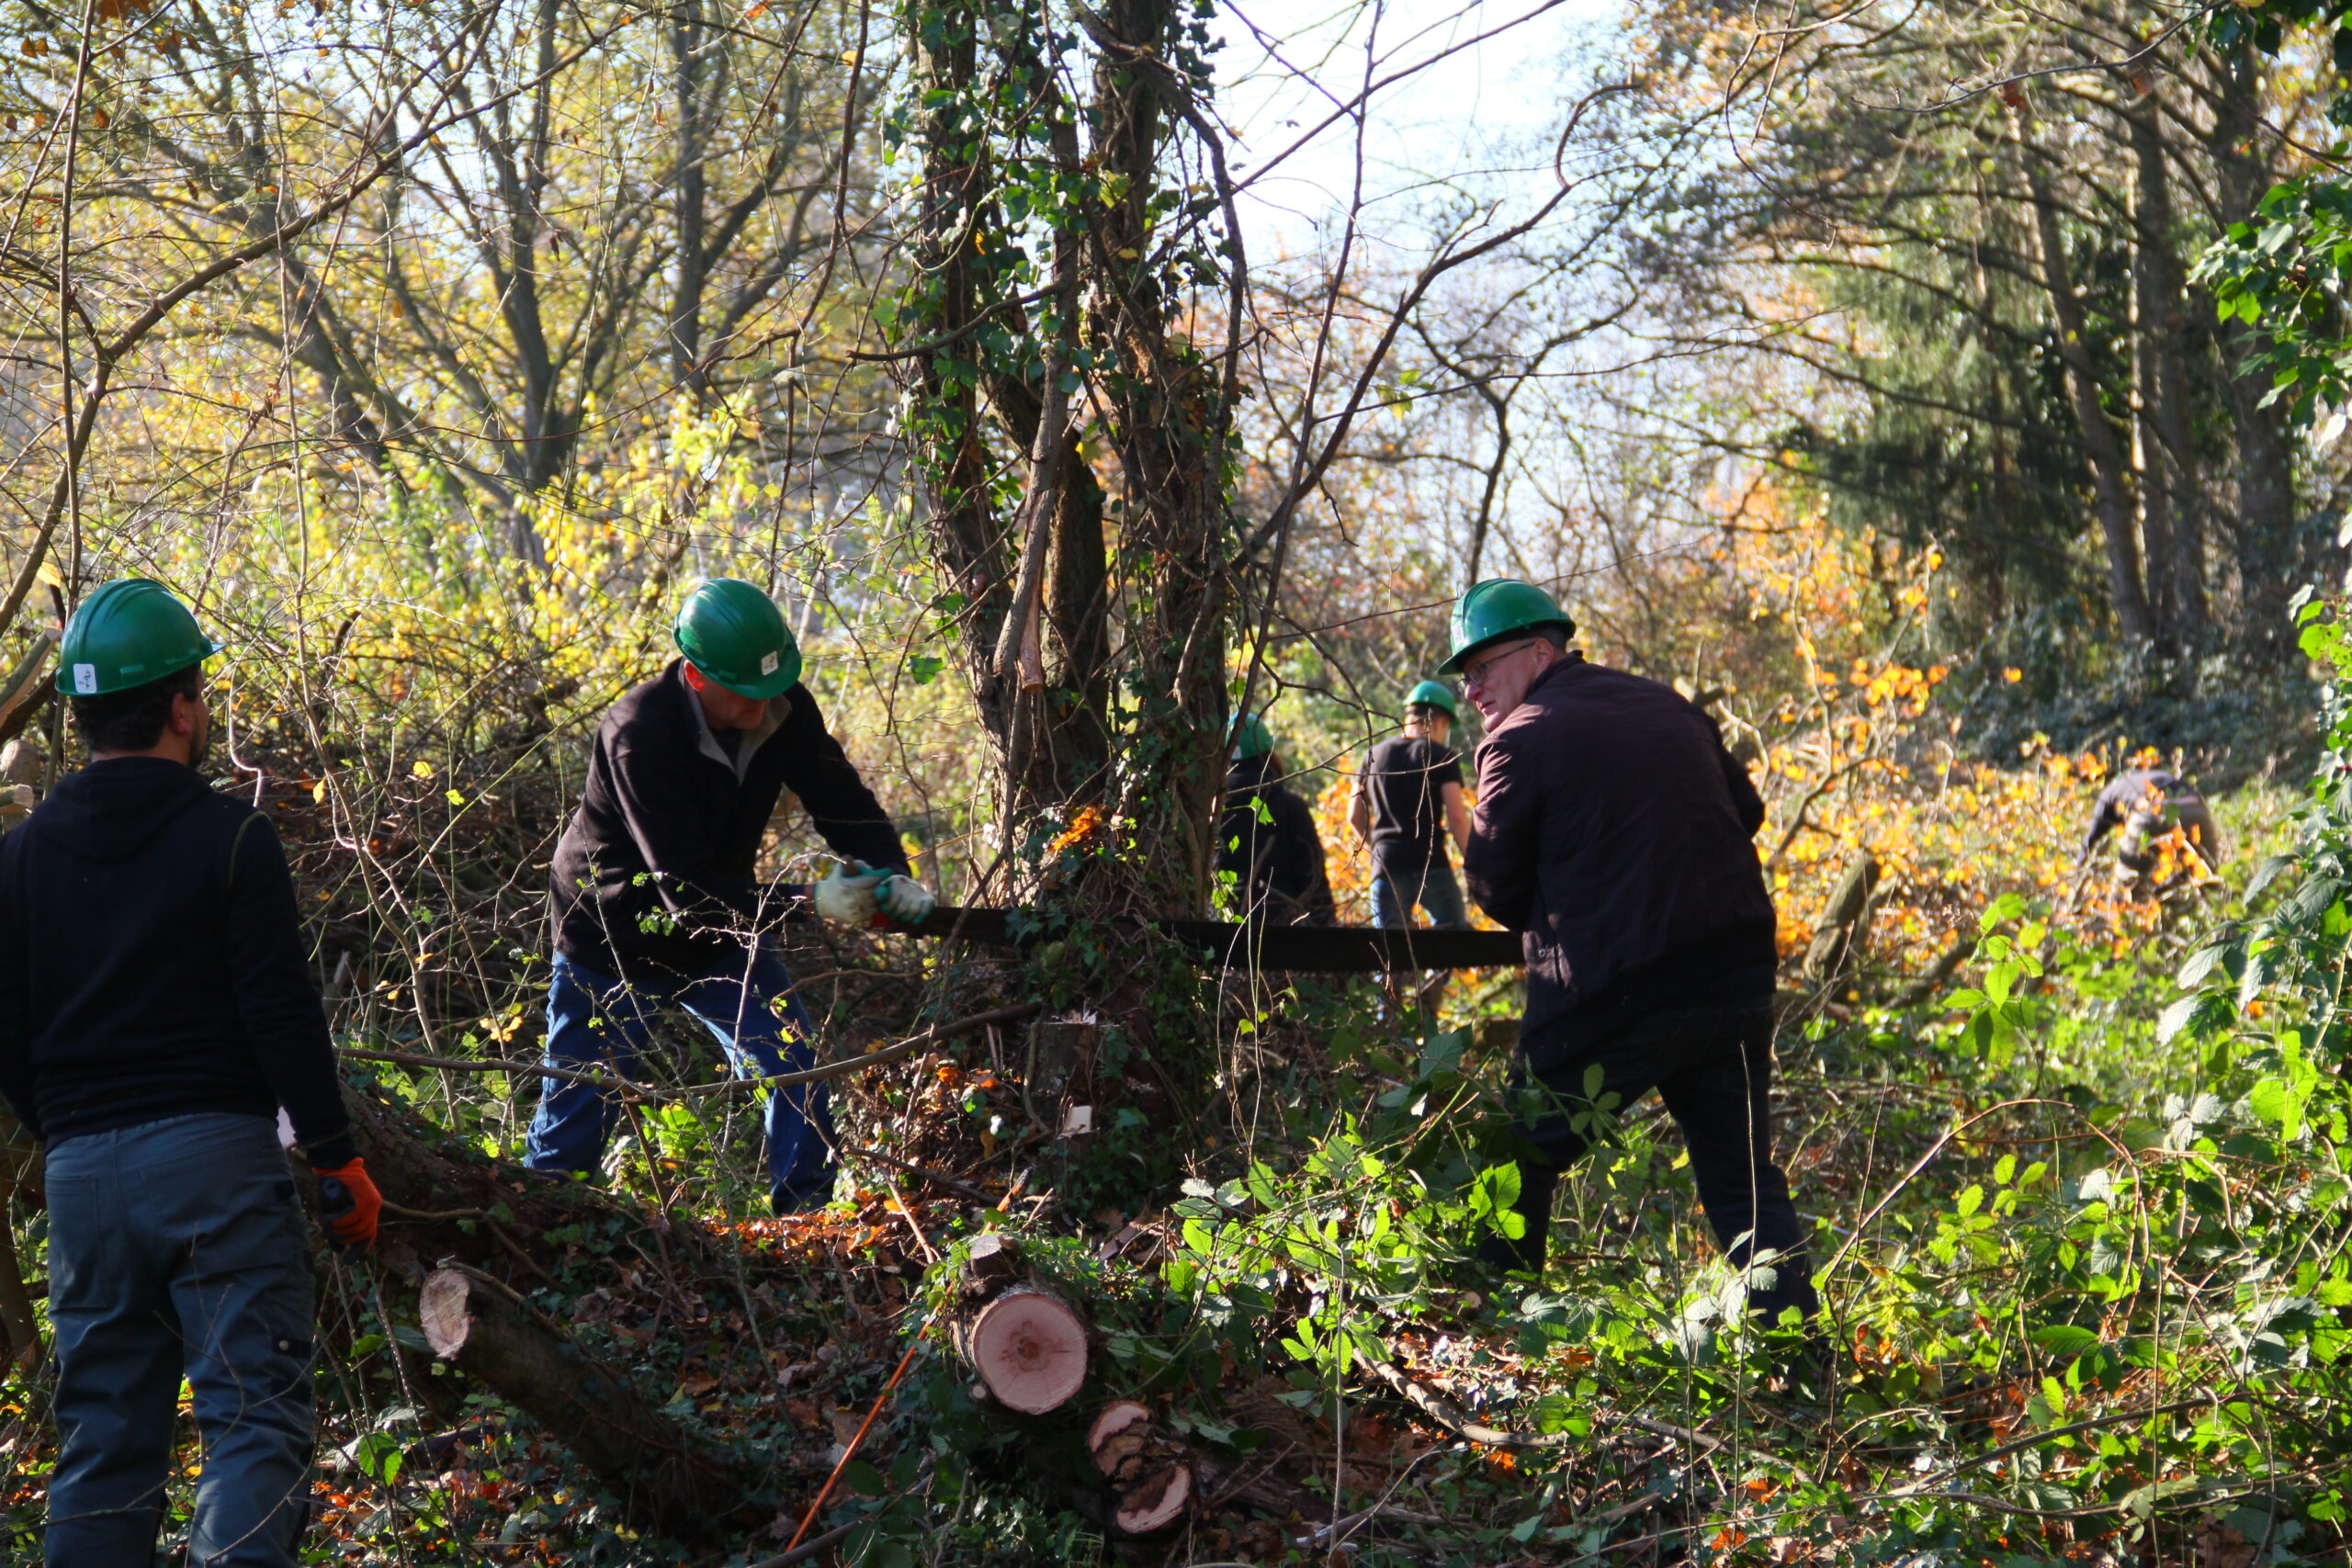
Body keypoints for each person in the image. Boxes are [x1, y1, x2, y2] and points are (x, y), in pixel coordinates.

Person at [0, 578, 379, 1567]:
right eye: (198, 693)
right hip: (214, 1161)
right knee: (251, 1422)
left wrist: (69, 1134)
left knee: (104, 1444)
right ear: (178, 707)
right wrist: (337, 1159)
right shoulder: (232, 838)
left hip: (81, 1179)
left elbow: (4, 1028)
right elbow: (281, 1015)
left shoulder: (16, 858)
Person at [1446, 579, 1817, 1324]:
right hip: (1736, 971)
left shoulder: (1517, 739)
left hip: (1619, 987)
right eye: (1464, 676)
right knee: (1744, 1181)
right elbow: (1746, 812)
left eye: (1484, 665)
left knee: (1515, 1155)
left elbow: (1492, 887)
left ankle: (1498, 1342)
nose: (1472, 689)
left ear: (1542, 650)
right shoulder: (1667, 705)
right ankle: (1798, 1361)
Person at [529, 578, 935, 1214]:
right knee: (575, 1119)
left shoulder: (782, 705)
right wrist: (813, 901)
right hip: (612, 937)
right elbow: (686, 892)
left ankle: (809, 1224)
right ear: (695, 675)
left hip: (723, 930)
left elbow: (843, 801)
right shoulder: (640, 734)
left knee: (793, 1068)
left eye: (772, 689)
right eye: (746, 694)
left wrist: (892, 872)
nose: (763, 706)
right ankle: (542, 1232)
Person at [1351, 680, 1472, 931]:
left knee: (1389, 956)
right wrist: (1474, 861)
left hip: (1386, 865)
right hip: (1431, 864)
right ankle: (1437, 973)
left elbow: (1354, 816)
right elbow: (1457, 818)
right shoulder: (1441, 757)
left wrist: (1378, 852)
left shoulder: (1373, 755)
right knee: (1455, 941)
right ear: (1439, 722)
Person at [1216, 712, 1334, 925]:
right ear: (1268, 753)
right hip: (1283, 926)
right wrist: (1326, 926)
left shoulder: (1212, 811)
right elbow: (1312, 877)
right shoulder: (1291, 807)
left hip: (1224, 924)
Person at [2080, 762, 2221, 888]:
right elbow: (2196, 797)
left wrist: (2078, 884)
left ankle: (2134, 905)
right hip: (2196, 811)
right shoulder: (2160, 776)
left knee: (2129, 885)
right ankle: (2217, 907)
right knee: (2207, 875)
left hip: (2151, 814)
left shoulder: (2109, 792)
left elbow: (2091, 843)